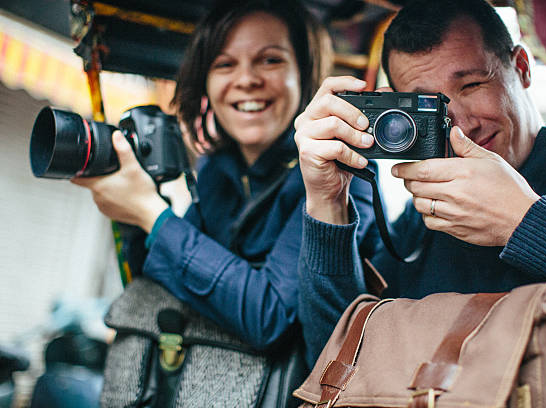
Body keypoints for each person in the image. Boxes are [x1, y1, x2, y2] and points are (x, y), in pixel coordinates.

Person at [294, 0, 546, 367]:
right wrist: (327, 203)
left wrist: (522, 222)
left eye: (473, 84)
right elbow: (337, 362)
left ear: (522, 69)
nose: (460, 125)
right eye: (431, 106)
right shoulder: (425, 216)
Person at [72, 0, 377, 350]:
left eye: (270, 60)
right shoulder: (215, 168)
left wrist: (150, 214)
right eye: (224, 64)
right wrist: (132, 213)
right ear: (205, 84)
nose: (246, 80)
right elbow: (162, 283)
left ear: (305, 73)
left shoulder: (342, 171)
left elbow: (271, 318)